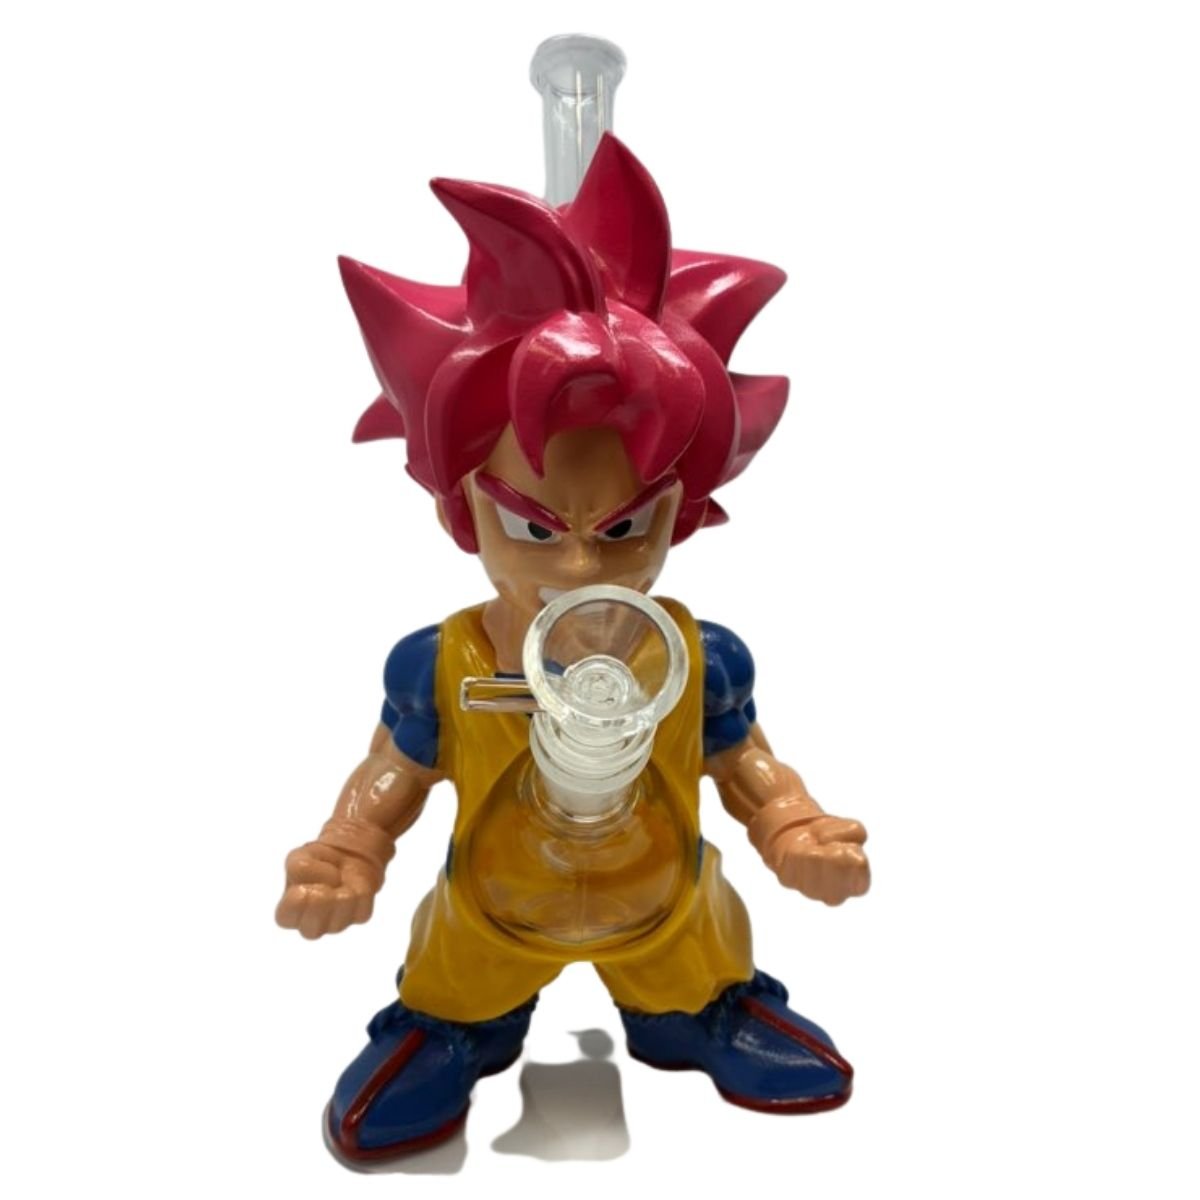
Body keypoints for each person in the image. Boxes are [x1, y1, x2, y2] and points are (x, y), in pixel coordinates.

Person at [276, 135, 870, 1166]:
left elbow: (747, 763)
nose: (584, 566)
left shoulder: (701, 657)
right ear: (465, 510)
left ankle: (702, 1013)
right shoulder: (441, 665)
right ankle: (450, 1031)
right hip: (491, 910)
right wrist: (348, 850)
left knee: (702, 961)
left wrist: (794, 826)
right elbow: (390, 775)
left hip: (669, 906)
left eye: (628, 527)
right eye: (536, 528)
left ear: (681, 512)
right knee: (455, 983)